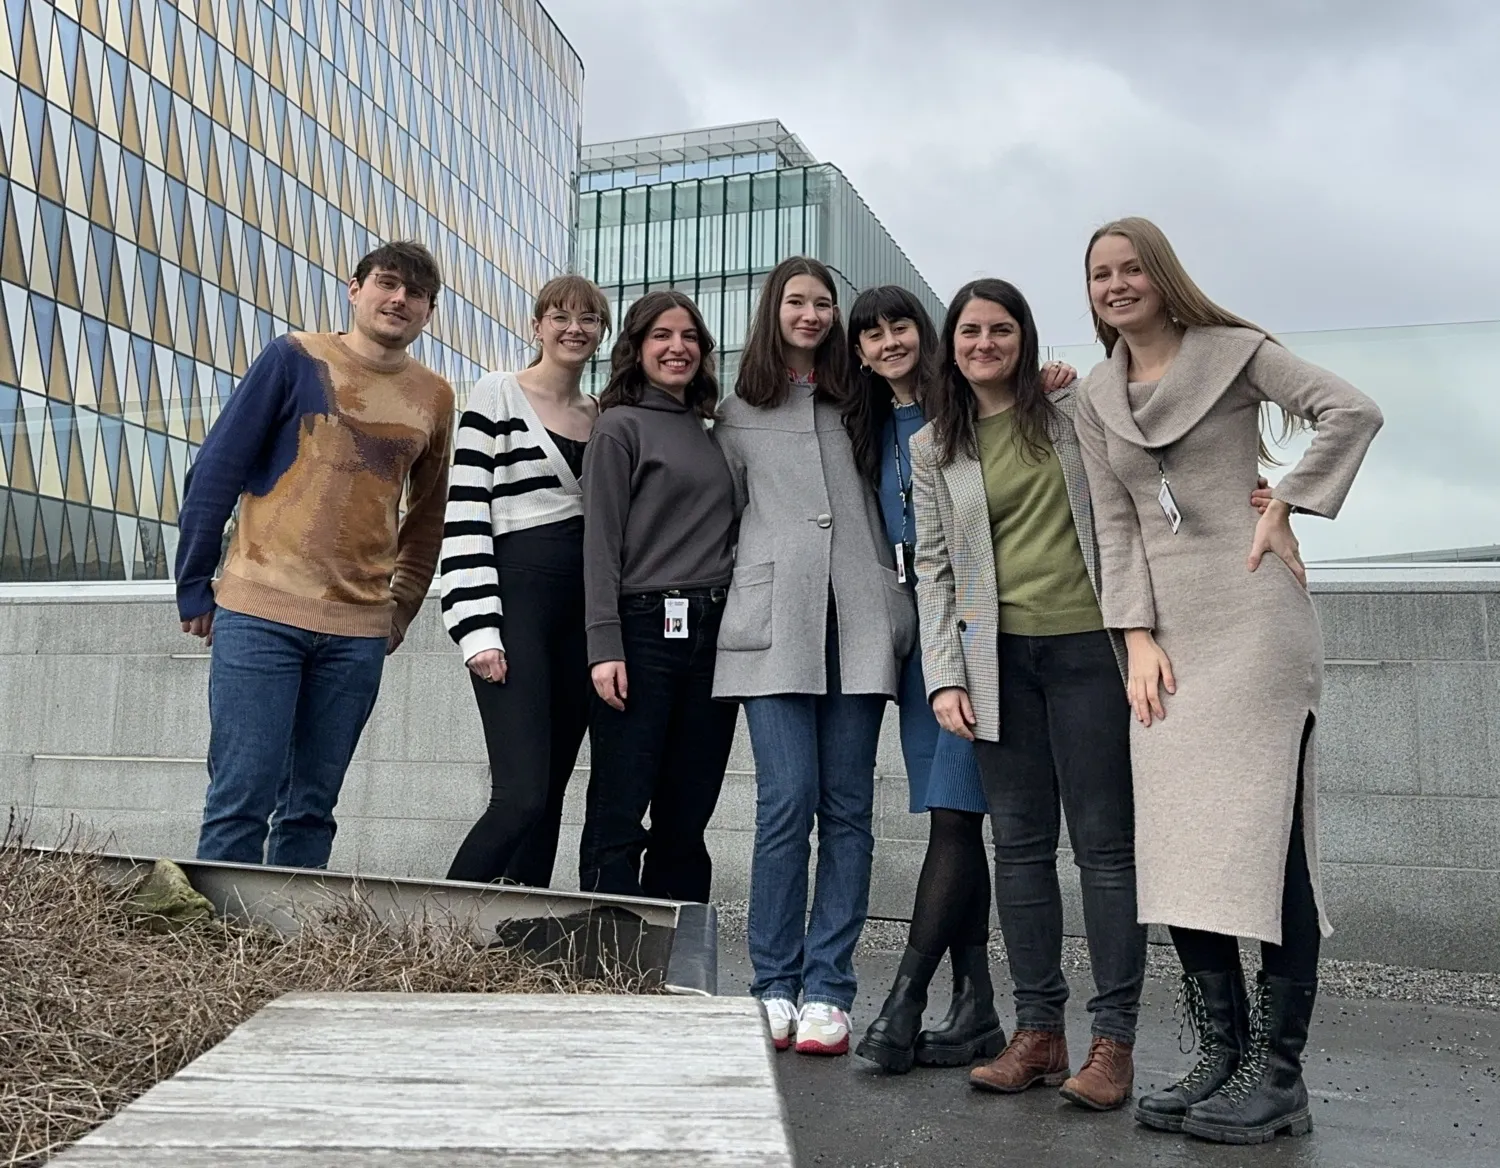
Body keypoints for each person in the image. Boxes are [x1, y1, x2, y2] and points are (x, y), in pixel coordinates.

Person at [1074, 217, 1382, 1142]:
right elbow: (1118, 525)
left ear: (1163, 277)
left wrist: (1287, 498)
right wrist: (1133, 635)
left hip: (1255, 619)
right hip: (1167, 640)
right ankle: (1222, 1053)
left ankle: (1277, 1075)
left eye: (1132, 269)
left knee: (1268, 840)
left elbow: (1352, 411)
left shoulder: (1234, 352)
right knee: (1180, 845)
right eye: (1100, 275)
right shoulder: (1095, 396)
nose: (1117, 285)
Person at [910, 276, 1154, 1110]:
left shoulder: (1071, 413)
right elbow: (935, 572)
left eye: (1001, 329)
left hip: (1090, 651)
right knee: (1017, 849)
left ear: (1024, 338)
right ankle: (1039, 1034)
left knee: (1104, 850)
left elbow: (1135, 496)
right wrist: (944, 675)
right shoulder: (933, 447)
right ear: (953, 343)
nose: (984, 343)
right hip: (997, 664)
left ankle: (1113, 1042)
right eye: (971, 330)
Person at [843, 285, 1075, 1074]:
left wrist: (1056, 377)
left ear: (926, 331)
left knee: (953, 815)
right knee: (957, 816)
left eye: (899, 324)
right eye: (870, 334)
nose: (887, 341)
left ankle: (905, 1001)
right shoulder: (867, 425)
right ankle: (975, 1005)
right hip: (916, 645)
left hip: (976, 634)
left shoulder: (967, 413)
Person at [176, 240, 453, 869]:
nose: (399, 299)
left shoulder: (433, 397)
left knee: (311, 808)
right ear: (354, 289)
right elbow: (217, 468)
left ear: (429, 312)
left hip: (357, 631)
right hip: (261, 610)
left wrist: (401, 608)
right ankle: (219, 953)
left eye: (416, 293)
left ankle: (286, 956)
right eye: (386, 283)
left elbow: (427, 515)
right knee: (240, 797)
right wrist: (194, 584)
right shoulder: (294, 358)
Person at [714, 257, 915, 1057]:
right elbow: (721, 518)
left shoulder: (859, 399)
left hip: (860, 621)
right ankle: (773, 982)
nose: (810, 313)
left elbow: (934, 417)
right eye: (796, 301)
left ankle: (830, 987)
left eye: (822, 302)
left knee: (849, 811)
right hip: (773, 627)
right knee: (784, 803)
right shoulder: (734, 413)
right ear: (775, 311)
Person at [440, 275, 611, 887]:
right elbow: (464, 511)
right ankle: (438, 928)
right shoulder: (497, 393)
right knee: (520, 795)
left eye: (589, 318)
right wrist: (477, 630)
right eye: (561, 316)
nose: (575, 328)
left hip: (581, 614)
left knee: (552, 797)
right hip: (515, 603)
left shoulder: (602, 414)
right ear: (536, 325)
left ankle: (512, 939)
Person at [578, 290, 739, 902]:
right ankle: (602, 959)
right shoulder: (617, 428)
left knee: (688, 810)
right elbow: (600, 544)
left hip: (712, 634)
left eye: (690, 337)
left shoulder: (710, 431)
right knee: (620, 802)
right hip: (641, 630)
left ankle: (674, 958)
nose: (678, 348)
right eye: (662, 337)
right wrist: (603, 645)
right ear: (637, 349)